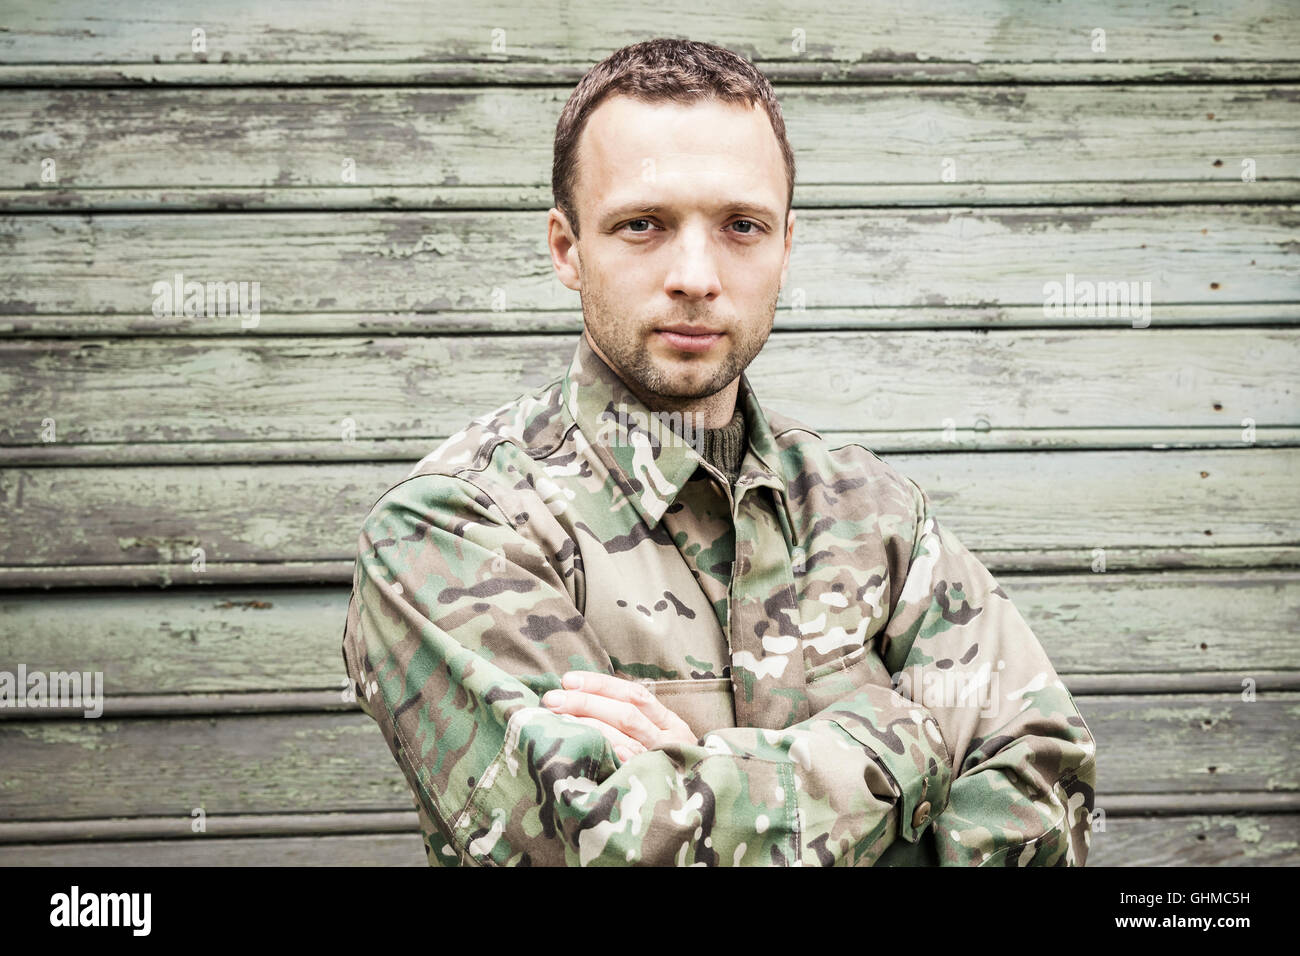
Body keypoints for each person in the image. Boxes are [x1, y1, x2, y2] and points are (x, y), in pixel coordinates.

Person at [341, 37, 1097, 867]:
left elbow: (1045, 787)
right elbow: (612, 844)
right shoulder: (454, 528)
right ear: (567, 248)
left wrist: (710, 786)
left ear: (784, 245)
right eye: (643, 225)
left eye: (741, 226)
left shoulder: (874, 514)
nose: (696, 275)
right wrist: (905, 737)